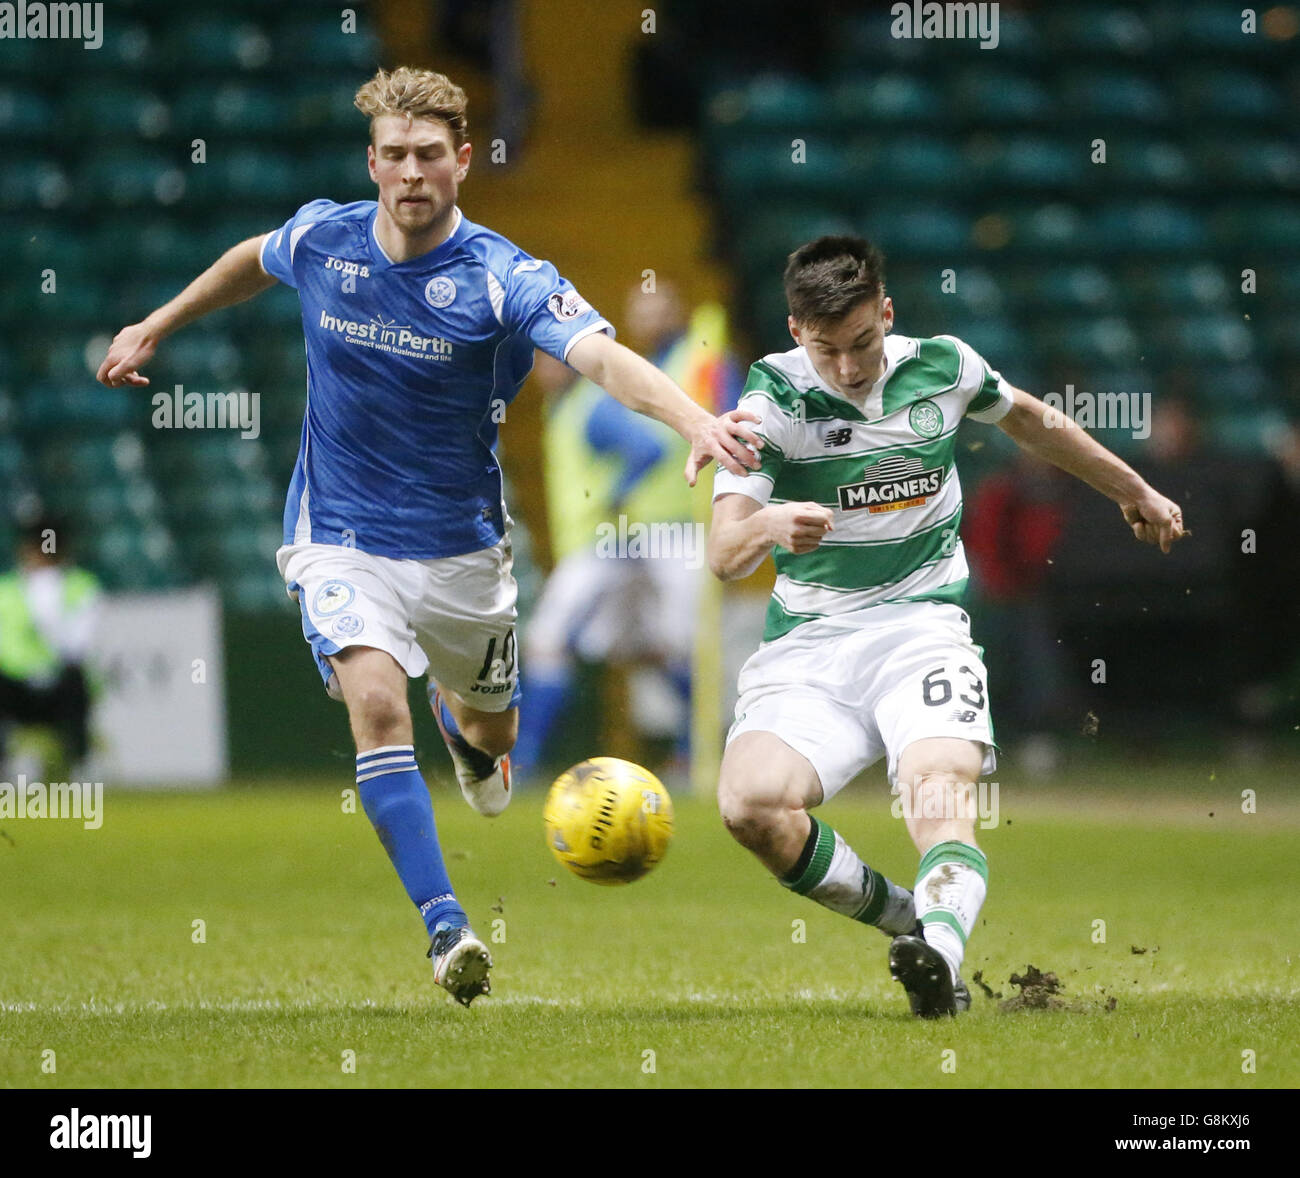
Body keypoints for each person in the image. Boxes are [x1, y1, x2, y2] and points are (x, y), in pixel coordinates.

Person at [97, 66, 760, 1006]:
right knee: (373, 702)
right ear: (373, 162)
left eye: (430, 156)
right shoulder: (326, 237)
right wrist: (156, 323)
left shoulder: (502, 275)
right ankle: (447, 929)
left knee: (492, 733)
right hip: (340, 535)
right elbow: (255, 255)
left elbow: (600, 356)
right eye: (395, 156)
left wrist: (693, 421)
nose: (411, 172)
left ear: (462, 163)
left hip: (460, 552)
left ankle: (467, 731)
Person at [708, 236, 1185, 1018]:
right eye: (828, 350)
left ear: (886, 314)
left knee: (937, 785)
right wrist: (769, 524)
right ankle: (914, 923)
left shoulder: (944, 365)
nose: (851, 367)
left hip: (921, 627)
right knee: (751, 807)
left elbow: (1031, 422)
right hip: (811, 647)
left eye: (863, 342)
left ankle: (941, 962)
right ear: (797, 332)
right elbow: (724, 553)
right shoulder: (769, 406)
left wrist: (1131, 488)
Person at [514, 283, 740, 776]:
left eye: (545, 359)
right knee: (650, 650)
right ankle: (693, 746)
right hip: (629, 542)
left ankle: (524, 761)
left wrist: (616, 497)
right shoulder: (579, 404)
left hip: (615, 543)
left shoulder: (592, 409)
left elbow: (650, 450)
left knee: (550, 641)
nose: (538, 370)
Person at [0, 517, 100, 779]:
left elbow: (77, 647)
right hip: (14, 684)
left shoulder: (81, 586)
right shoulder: (5, 589)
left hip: (60, 685)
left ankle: (80, 766)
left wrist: (49, 614)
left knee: (76, 683)